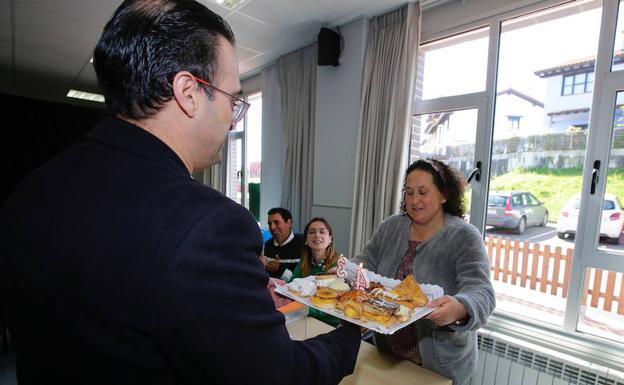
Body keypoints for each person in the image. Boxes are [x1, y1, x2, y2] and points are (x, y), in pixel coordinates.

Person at [0, 1, 361, 384]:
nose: (231, 118)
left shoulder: (31, 190)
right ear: (189, 92)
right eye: (233, 100)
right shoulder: (209, 225)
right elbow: (278, 376)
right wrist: (351, 336)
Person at [351, 158, 495, 385]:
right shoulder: (391, 227)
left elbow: (482, 291)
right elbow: (365, 262)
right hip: (387, 359)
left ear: (444, 194)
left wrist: (460, 308)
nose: (414, 200)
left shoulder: (464, 237)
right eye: (409, 192)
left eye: (423, 192)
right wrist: (345, 273)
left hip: (438, 370)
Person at [290, 217, 342, 327]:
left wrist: (303, 308)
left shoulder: (338, 266)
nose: (317, 235)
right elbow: (290, 288)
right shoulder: (303, 263)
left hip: (329, 324)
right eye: (312, 232)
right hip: (303, 317)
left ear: (330, 238)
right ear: (306, 239)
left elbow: (332, 305)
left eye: (322, 232)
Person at [261, 207, 305, 281]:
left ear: (289, 223)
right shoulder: (267, 245)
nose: (272, 227)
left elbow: (301, 280)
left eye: (276, 222)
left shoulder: (303, 243)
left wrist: (279, 269)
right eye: (269, 224)